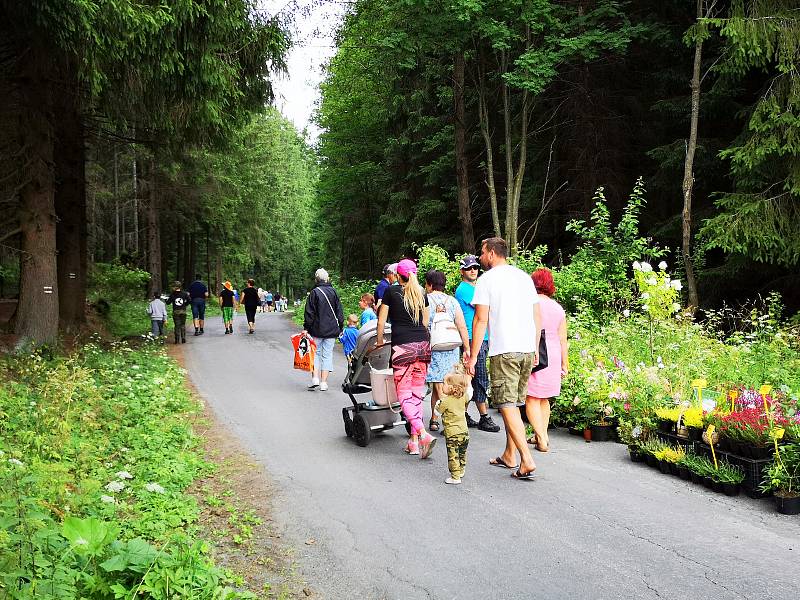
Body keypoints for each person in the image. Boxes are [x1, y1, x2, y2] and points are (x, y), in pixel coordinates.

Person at [466, 237, 542, 480]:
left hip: (505, 350)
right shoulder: (523, 277)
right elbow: (536, 315)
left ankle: (526, 459)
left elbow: (480, 320)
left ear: (491, 253)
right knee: (516, 402)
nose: (480, 257)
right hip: (526, 350)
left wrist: (472, 355)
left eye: (482, 252)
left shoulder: (487, 280)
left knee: (506, 404)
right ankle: (509, 454)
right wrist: (535, 347)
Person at [376, 259, 436, 458]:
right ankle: (413, 442)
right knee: (417, 394)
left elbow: (382, 319)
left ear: (398, 275)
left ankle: (422, 433)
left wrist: (378, 341)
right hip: (423, 346)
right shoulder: (422, 293)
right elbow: (425, 322)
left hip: (403, 347)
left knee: (403, 394)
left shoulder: (391, 292)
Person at [454, 255, 501, 433]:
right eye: (468, 268)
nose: (473, 270)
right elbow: (488, 305)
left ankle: (462, 413)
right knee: (479, 375)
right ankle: (483, 416)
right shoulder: (465, 289)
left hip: (482, 336)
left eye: (475, 267)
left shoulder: (475, 288)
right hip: (474, 337)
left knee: (470, 376)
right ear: (462, 271)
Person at [525, 268, 568, 452]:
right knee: (544, 399)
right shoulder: (558, 308)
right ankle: (542, 435)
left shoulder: (530, 304)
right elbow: (563, 340)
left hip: (537, 351)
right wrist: (565, 364)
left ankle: (541, 439)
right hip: (554, 353)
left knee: (532, 397)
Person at [424, 269, 470, 434]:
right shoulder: (452, 301)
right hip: (451, 347)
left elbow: (422, 325)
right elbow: (462, 325)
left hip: (434, 347)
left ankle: (446, 421)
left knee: (438, 385)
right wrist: (467, 348)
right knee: (449, 383)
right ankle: (436, 419)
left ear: (429, 284)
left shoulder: (425, 300)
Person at [303, 268, 344, 391]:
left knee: (315, 354)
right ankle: (324, 383)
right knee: (327, 355)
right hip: (331, 330)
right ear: (327, 278)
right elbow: (339, 311)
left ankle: (315, 378)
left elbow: (309, 312)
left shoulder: (314, 292)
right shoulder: (334, 292)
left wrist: (306, 327)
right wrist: (341, 326)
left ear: (316, 279)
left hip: (316, 329)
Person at [438, 363, 472, 485]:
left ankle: (455, 477)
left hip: (452, 434)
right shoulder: (464, 397)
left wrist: (440, 401)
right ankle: (461, 470)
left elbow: (438, 410)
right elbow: (468, 397)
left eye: (444, 383)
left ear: (452, 388)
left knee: (453, 455)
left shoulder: (445, 401)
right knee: (462, 453)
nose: (442, 386)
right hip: (464, 432)